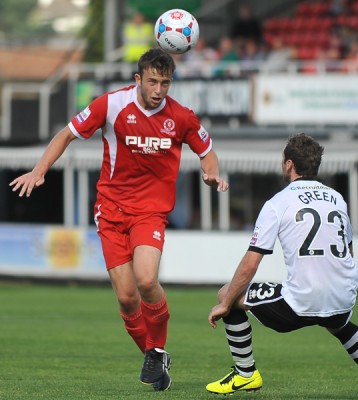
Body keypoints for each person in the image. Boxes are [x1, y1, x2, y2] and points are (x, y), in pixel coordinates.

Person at [9, 48, 229, 392]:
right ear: (138, 79)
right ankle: (155, 356)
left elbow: (207, 152)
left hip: (150, 212)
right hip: (110, 211)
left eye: (165, 83)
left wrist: (211, 175)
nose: (158, 90)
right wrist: (39, 170)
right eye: (153, 81)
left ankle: (156, 350)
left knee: (145, 280)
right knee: (127, 299)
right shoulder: (110, 105)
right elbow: (66, 133)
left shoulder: (182, 117)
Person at [206, 133, 358, 400]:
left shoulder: (278, 203)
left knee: (228, 294)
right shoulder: (336, 198)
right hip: (343, 294)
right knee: (338, 322)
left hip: (301, 301)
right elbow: (348, 251)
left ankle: (246, 375)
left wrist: (225, 302)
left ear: (289, 164)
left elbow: (251, 261)